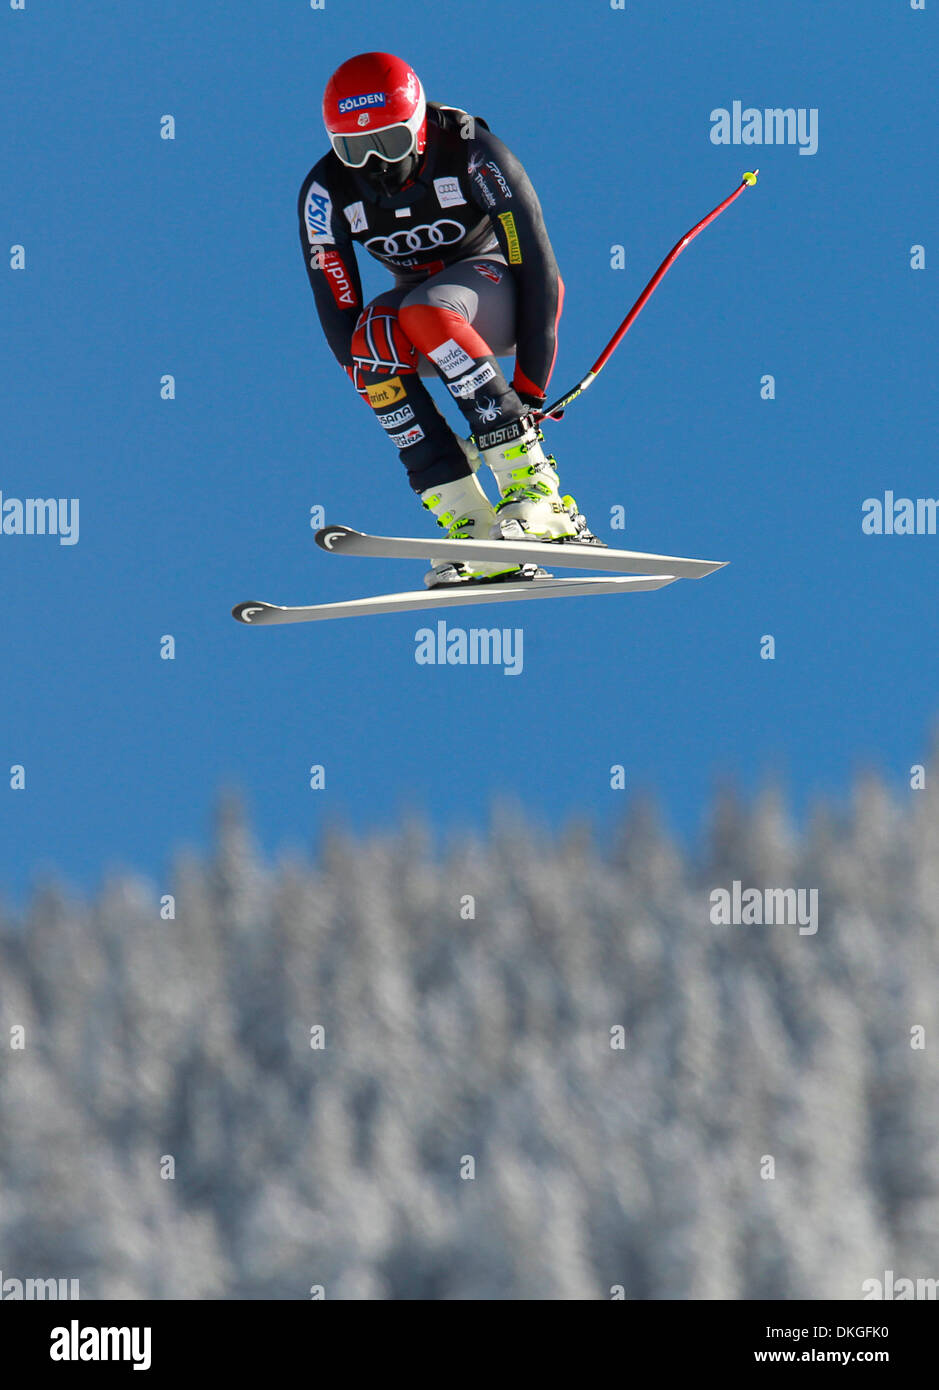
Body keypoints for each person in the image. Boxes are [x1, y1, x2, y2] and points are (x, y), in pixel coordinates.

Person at [299, 51, 600, 588]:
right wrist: (382, 391)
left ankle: (538, 498)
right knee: (369, 343)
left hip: (499, 291)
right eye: (353, 149)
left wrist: (527, 394)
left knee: (424, 311)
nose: (375, 165)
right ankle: (470, 521)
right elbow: (337, 311)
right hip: (423, 310)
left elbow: (536, 266)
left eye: (389, 142)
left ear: (416, 127)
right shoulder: (326, 191)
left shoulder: (470, 153)